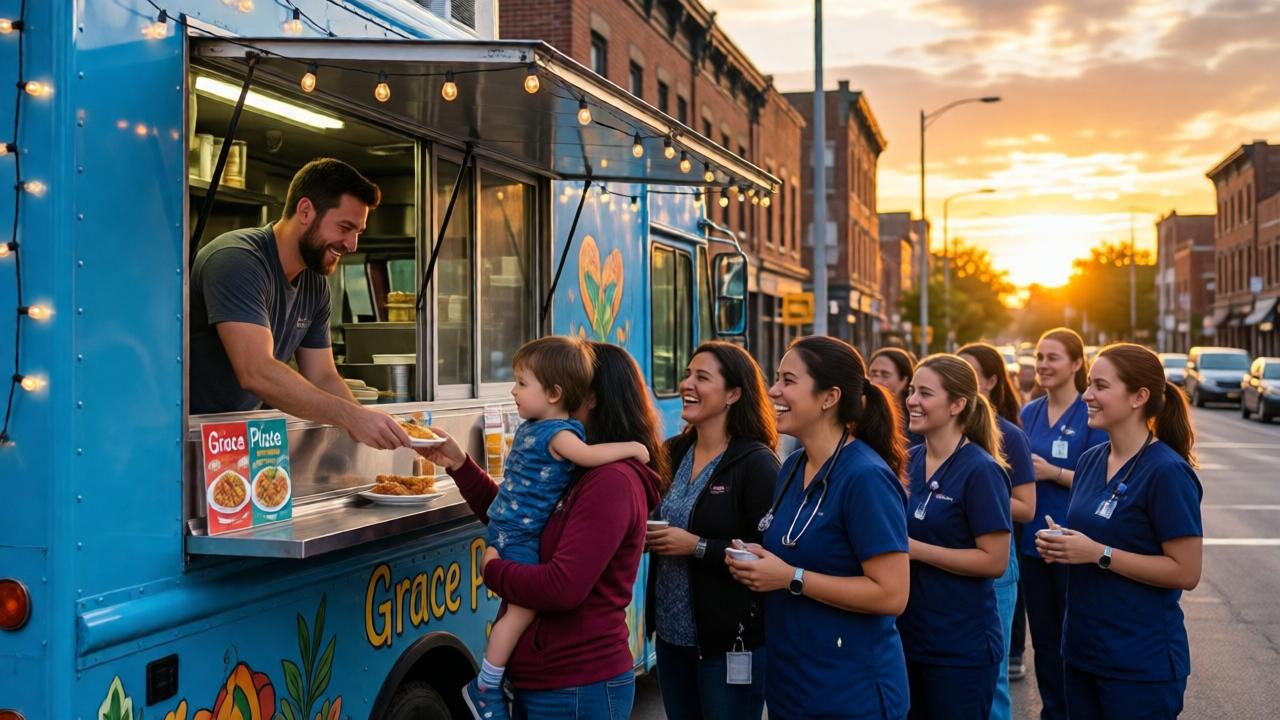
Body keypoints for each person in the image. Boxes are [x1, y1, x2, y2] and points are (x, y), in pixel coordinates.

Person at [420, 342, 667, 720]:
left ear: (591, 397)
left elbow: (562, 587)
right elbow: (520, 516)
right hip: (550, 681)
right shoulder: (571, 465)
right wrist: (459, 464)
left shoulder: (611, 481)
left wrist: (493, 571)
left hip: (576, 684)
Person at [727, 336, 911, 720]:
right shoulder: (794, 465)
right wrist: (765, 561)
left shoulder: (866, 477)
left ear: (829, 398)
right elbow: (800, 547)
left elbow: (892, 594)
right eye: (776, 378)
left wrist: (790, 577)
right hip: (793, 684)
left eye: (788, 381)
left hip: (849, 691)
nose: (773, 390)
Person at [189, 158, 409, 449]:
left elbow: (323, 375)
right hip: (184, 437)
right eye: (345, 228)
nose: (352, 245)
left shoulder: (314, 283)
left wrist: (365, 419)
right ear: (305, 211)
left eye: (358, 232)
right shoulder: (236, 259)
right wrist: (352, 417)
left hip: (239, 440)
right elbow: (257, 371)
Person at [1036, 344, 1202, 720]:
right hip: (1081, 652)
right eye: (1089, 384)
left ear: (1138, 397)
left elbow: (1186, 572)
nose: (1087, 395)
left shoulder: (1167, 472)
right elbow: (1096, 533)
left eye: (1100, 386)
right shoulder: (1091, 460)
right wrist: (1061, 542)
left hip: (1139, 663)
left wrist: (1098, 553)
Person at [646, 341, 780, 720]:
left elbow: (768, 556)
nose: (688, 383)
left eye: (702, 377)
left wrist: (698, 546)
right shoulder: (671, 452)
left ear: (733, 394)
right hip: (671, 642)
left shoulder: (757, 464)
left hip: (730, 645)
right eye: (687, 374)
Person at [899, 354, 1012, 719]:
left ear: (957, 404)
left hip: (960, 649)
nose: (912, 400)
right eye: (912, 390)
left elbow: (994, 560)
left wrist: (917, 551)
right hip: (908, 639)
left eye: (925, 393)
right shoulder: (908, 460)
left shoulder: (981, 470)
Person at [1018, 328, 1106, 720]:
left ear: (1075, 364)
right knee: (1046, 637)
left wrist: (1054, 473)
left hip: (1075, 545)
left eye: (1053, 357)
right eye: (1039, 356)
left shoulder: (1091, 414)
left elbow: (1101, 479)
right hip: (1033, 544)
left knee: (1076, 637)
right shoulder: (1029, 412)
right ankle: (1053, 711)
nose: (1043, 365)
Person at [957, 342, 1036, 720]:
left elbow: (1026, 507)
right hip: (945, 570)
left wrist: (974, 498)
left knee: (992, 680)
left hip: (996, 568)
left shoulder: (1009, 435)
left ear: (990, 382)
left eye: (970, 375)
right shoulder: (931, 435)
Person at [871, 347, 923, 446]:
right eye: (873, 374)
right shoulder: (860, 417)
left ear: (904, 380)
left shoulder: (916, 422)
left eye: (885, 375)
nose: (876, 381)